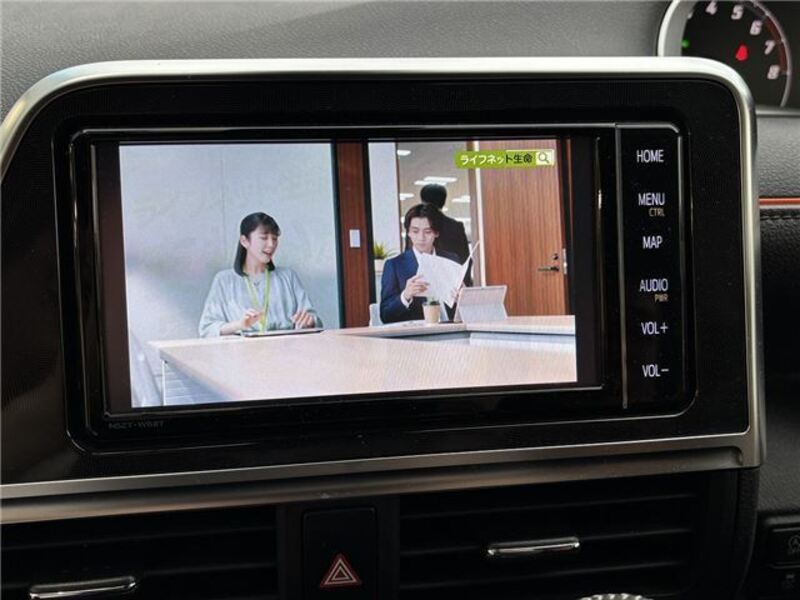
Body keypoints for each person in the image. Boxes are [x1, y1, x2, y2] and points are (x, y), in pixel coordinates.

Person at [199, 212, 322, 337]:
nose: (271, 244)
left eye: (275, 239)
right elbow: (207, 329)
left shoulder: (288, 277)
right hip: (243, 349)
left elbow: (314, 320)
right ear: (244, 241)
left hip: (286, 347)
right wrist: (240, 325)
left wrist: (309, 322)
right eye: (264, 238)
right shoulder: (224, 281)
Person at [380, 203, 461, 324]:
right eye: (415, 231)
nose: (421, 237)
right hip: (416, 332)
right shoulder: (395, 265)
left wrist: (462, 299)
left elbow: (465, 308)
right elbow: (385, 315)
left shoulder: (451, 259)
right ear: (408, 233)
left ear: (436, 233)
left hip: (451, 328)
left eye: (427, 232)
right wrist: (405, 296)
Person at [420, 183, 472, 286]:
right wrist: (464, 284)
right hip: (452, 284)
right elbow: (465, 258)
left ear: (423, 202)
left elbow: (409, 257)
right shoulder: (455, 226)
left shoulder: (416, 226)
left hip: (424, 284)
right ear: (443, 202)